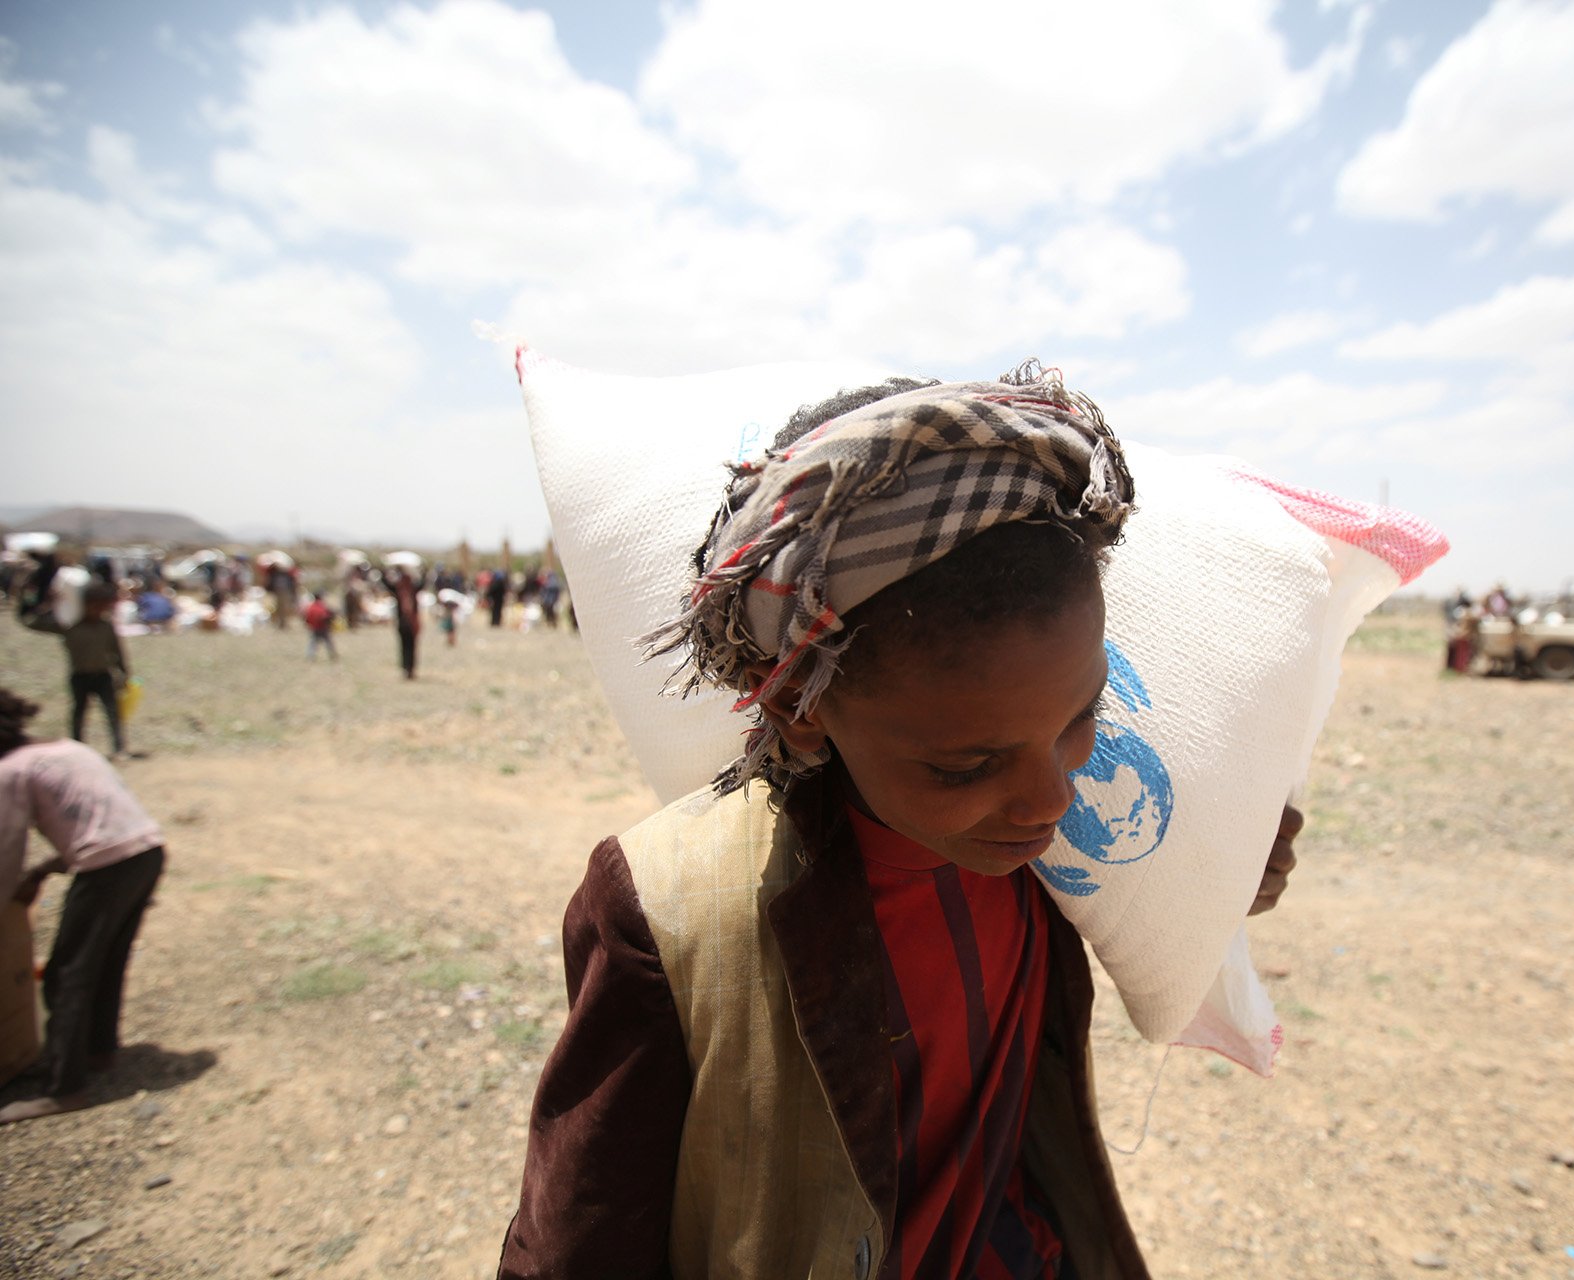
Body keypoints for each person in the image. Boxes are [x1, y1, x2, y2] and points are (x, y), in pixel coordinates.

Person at [498, 365, 1305, 1279]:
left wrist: (1234, 857)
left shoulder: (1051, 857)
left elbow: (1174, 886)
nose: (1051, 798)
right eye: (967, 766)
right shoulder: (672, 911)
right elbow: (577, 1239)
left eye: (1082, 718)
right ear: (804, 708)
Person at [0, 687, 167, 1124]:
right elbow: (102, 811)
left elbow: (6, 849)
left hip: (107, 865)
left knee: (67, 974)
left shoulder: (11, 771)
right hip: (145, 851)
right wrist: (45, 869)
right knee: (109, 957)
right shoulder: (63, 747)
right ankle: (98, 1050)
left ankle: (63, 1086)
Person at [22, 582, 130, 758]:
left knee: (112, 712)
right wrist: (50, 604)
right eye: (95, 605)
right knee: (79, 713)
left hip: (103, 676)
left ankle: (119, 748)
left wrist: (124, 674)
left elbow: (117, 652)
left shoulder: (106, 626)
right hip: (80, 677)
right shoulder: (70, 626)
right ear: (84, 604)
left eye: (102, 605)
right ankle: (78, 749)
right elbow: (31, 622)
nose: (98, 609)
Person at [388, 567, 421, 679]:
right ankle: (406, 668)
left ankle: (410, 669)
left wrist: (421, 570)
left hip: (411, 622)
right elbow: (386, 583)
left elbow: (423, 582)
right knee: (404, 646)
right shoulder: (398, 590)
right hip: (403, 622)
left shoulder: (413, 590)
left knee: (411, 646)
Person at [303, 590, 338, 662]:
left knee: (313, 643)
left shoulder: (311, 607)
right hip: (323, 627)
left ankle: (310, 656)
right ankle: (333, 655)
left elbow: (307, 618)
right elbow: (325, 616)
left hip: (315, 628)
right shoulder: (321, 606)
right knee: (328, 643)